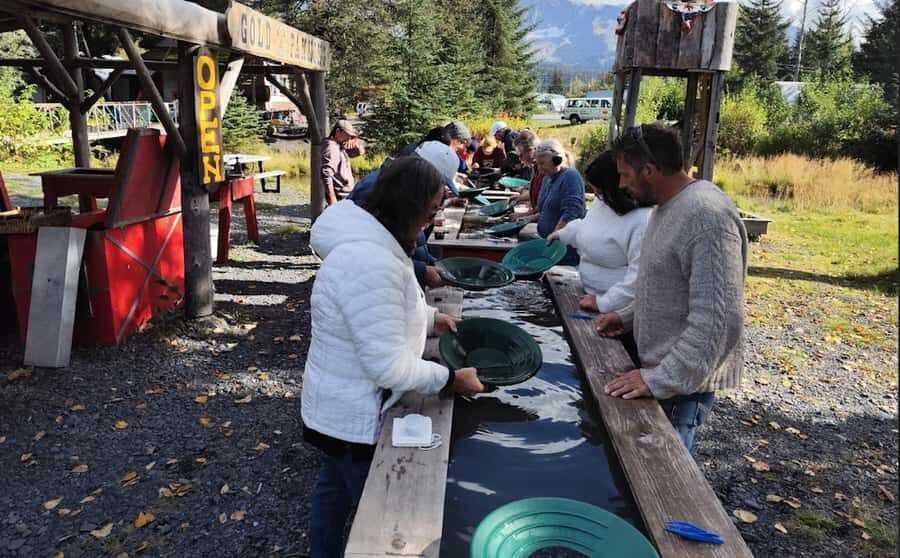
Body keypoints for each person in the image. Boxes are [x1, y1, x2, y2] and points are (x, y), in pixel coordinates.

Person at [303, 157, 485, 558]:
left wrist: (429, 318)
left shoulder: (377, 244)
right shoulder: (370, 260)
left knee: (331, 491)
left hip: (336, 406)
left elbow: (380, 314)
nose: (437, 216)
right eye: (434, 206)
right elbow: (387, 365)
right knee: (378, 509)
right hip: (354, 416)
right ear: (412, 204)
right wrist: (451, 379)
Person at [594, 124, 747, 451]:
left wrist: (658, 379)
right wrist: (626, 316)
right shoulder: (668, 207)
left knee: (667, 485)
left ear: (649, 170)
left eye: (624, 175)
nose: (621, 185)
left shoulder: (707, 217)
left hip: (680, 388)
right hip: (662, 375)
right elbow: (665, 283)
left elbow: (719, 322)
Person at [547, 150, 651, 314]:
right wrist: (562, 234)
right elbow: (587, 228)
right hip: (589, 294)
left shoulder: (642, 221)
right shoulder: (604, 202)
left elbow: (637, 280)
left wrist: (604, 303)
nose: (596, 194)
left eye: (600, 191)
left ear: (617, 188)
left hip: (617, 311)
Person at [348, 141, 461, 288]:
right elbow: (369, 257)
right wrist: (421, 271)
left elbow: (410, 241)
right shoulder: (376, 188)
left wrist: (435, 264)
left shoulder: (407, 190)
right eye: (440, 182)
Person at [532, 139, 586, 264]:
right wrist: (528, 218)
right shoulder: (547, 179)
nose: (539, 169)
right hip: (550, 243)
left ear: (557, 161)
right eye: (538, 164)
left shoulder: (570, 177)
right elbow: (546, 209)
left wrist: (555, 235)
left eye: (542, 163)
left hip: (563, 248)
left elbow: (573, 212)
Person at [321, 120, 365, 206]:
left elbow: (358, 153)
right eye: (347, 134)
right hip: (340, 196)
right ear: (338, 131)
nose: (349, 138)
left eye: (351, 136)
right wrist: (332, 198)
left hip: (347, 195)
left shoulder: (340, 145)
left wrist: (355, 143)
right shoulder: (331, 147)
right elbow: (326, 174)